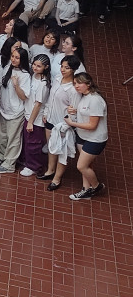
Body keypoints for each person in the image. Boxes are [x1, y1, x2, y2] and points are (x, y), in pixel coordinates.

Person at [63, 73, 108, 200]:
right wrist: (76, 111)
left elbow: (93, 125)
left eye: (79, 83)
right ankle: (85, 189)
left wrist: (72, 123)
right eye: (75, 83)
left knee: (81, 166)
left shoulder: (95, 100)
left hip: (95, 139)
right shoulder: (84, 96)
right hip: (83, 136)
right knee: (87, 165)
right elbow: (87, 112)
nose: (76, 86)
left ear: (88, 84)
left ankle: (96, 186)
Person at [39, 55, 80, 189]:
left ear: (73, 70)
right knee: (51, 147)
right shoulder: (57, 79)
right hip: (50, 120)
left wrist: (65, 125)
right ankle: (50, 171)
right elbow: (50, 99)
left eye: (67, 68)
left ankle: (57, 179)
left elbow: (74, 112)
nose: (63, 69)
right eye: (62, 66)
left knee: (62, 152)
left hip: (62, 125)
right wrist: (45, 113)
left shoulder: (74, 89)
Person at [0, 48, 32, 174]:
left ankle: (9, 164)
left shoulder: (25, 75)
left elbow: (24, 96)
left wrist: (16, 85)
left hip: (16, 111)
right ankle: (1, 155)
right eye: (13, 56)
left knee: (13, 139)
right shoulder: (7, 68)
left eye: (17, 58)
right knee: (1, 135)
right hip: (4, 108)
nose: (13, 59)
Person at [18, 54, 51, 177]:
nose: (35, 68)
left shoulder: (43, 84)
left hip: (35, 119)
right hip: (28, 114)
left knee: (34, 144)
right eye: (34, 65)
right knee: (27, 141)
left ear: (46, 67)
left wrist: (31, 121)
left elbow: (38, 104)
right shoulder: (33, 76)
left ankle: (34, 166)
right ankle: (27, 162)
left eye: (39, 66)